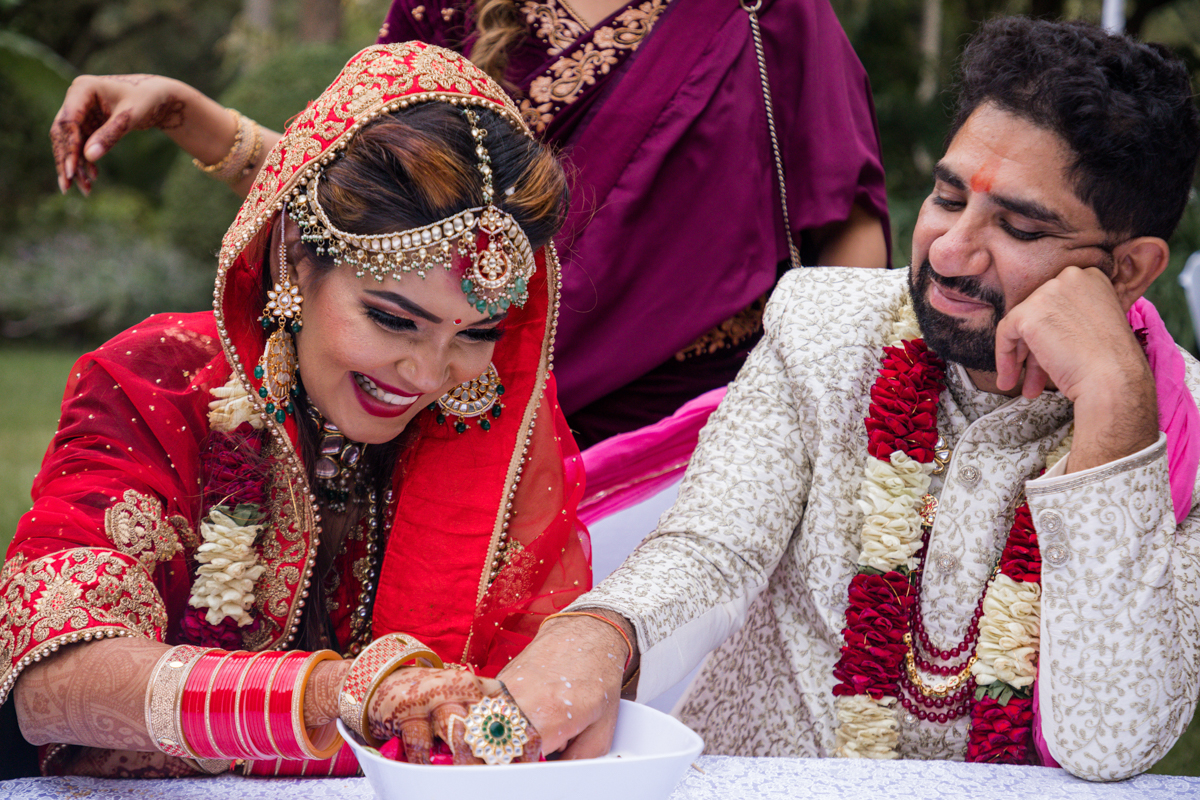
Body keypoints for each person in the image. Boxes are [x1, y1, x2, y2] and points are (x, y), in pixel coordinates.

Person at [496, 17, 1200, 781]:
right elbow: (714, 549)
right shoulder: (824, 327)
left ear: (1128, 269)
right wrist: (601, 634)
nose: (949, 250)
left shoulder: (1175, 422)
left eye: (1020, 227)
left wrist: (1116, 409)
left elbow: (1111, 741)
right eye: (946, 196)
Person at [2, 41, 590, 778]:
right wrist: (342, 693)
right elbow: (51, 678)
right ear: (292, 259)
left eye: (476, 334)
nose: (428, 373)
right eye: (394, 320)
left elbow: (543, 704)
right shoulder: (155, 384)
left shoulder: (498, 445)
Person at [50, 0, 891, 448]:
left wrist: (842, 420)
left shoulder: (765, 11)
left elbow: (845, 227)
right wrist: (192, 116)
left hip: (698, 440)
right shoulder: (448, 5)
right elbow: (368, 196)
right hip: (461, 407)